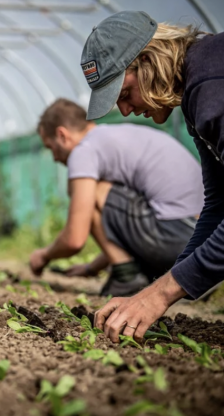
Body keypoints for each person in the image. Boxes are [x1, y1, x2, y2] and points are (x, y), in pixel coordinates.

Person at [80, 10, 222, 343]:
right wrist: (156, 291)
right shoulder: (194, 96)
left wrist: (159, 295)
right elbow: (218, 204)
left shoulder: (211, 84)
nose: (125, 111)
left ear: (147, 61)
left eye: (124, 94)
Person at [29, 99, 203, 298]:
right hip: (201, 248)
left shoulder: (84, 150)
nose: (54, 158)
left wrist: (44, 255)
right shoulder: (113, 137)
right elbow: (125, 232)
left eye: (51, 147)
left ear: (62, 135)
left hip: (177, 239)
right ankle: (131, 271)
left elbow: (74, 240)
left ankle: (126, 277)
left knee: (92, 191)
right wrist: (91, 268)